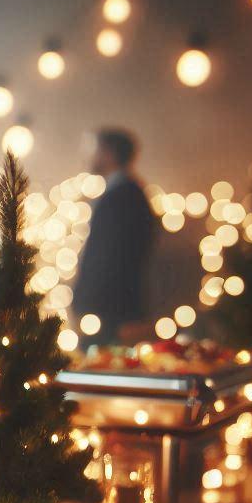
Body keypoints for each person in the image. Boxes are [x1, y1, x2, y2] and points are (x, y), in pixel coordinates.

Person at [77, 127, 156, 346]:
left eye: (95, 149)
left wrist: (85, 300)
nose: (89, 156)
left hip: (112, 313)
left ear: (109, 153)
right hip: (117, 309)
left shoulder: (122, 196)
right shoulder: (128, 192)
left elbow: (107, 257)